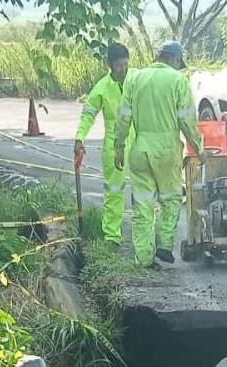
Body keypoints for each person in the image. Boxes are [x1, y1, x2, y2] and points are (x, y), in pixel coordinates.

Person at [115, 40, 205, 268]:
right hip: (167, 151)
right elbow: (187, 121)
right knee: (171, 198)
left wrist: (119, 147)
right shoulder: (178, 80)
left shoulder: (135, 78)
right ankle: (164, 245)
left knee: (143, 206)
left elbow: (123, 117)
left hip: (140, 149)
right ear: (175, 59)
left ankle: (144, 258)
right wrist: (199, 148)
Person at [74, 43, 133, 250]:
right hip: (114, 144)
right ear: (110, 65)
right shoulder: (102, 88)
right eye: (119, 66)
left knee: (144, 191)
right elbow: (88, 115)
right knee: (114, 191)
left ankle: (144, 237)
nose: (123, 70)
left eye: (126, 64)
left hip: (138, 141)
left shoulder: (136, 80)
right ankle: (112, 236)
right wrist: (80, 138)